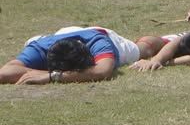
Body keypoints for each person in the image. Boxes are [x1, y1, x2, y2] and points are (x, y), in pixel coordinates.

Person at [2, 27, 166, 85]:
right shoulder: (40, 48)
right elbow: (5, 71)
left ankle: (167, 39)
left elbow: (102, 71)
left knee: (143, 50)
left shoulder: (99, 44)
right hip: (59, 35)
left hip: (103, 34)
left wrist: (51, 76)